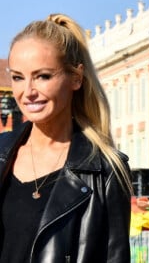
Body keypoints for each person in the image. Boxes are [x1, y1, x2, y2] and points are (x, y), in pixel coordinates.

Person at [0, 13, 133, 263]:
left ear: (76, 78)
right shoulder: (2, 154)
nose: (28, 92)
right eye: (18, 77)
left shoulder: (105, 171)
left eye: (43, 76)